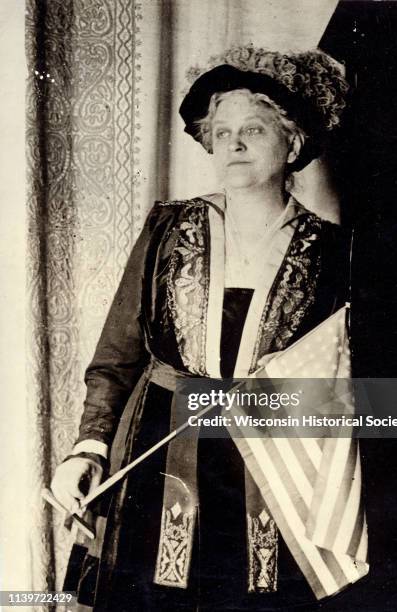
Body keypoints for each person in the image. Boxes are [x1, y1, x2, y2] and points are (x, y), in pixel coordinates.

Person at [52, 45, 354, 611]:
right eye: (221, 132)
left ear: (294, 143)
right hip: (159, 451)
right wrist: (88, 448)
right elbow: (118, 356)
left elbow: (348, 385)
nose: (233, 145)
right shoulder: (169, 227)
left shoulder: (336, 251)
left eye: (254, 130)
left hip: (275, 466)